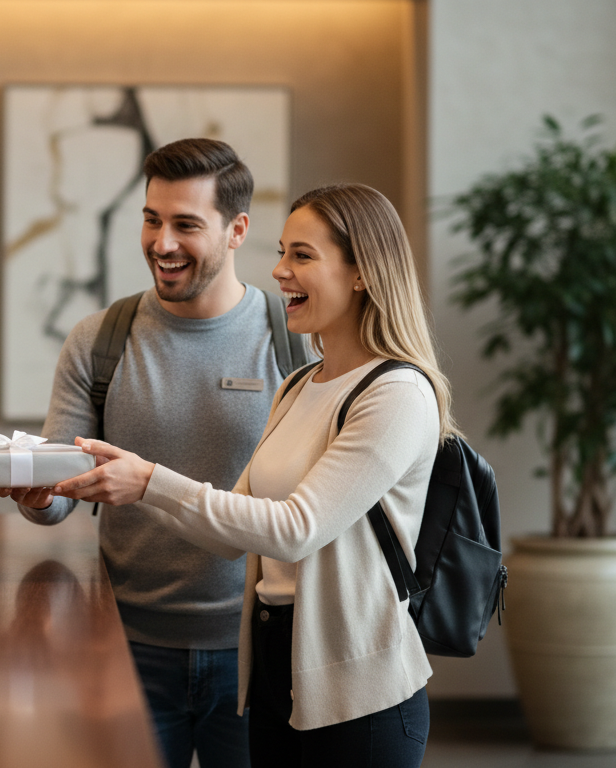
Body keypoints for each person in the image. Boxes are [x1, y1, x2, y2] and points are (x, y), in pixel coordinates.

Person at [51, 183, 455, 767]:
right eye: (283, 252)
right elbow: (230, 533)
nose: (279, 270)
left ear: (363, 272)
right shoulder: (298, 387)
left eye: (302, 256)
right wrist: (134, 487)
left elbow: (294, 529)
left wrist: (149, 481)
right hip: (271, 667)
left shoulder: (396, 393)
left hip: (357, 693)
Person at [0, 138, 309, 768]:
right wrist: (37, 494)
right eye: (151, 219)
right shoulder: (97, 340)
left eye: (186, 225)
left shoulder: (297, 344)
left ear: (236, 230)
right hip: (122, 647)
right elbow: (59, 495)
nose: (162, 243)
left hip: (259, 652)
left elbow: (313, 506)